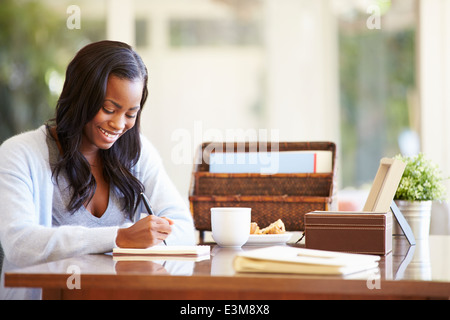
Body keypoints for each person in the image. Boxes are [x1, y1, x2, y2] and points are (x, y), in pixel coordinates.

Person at [0, 40, 195, 267]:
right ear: (81, 98)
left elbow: (182, 228)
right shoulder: (19, 154)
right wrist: (119, 238)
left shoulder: (137, 154)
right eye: (109, 109)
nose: (118, 124)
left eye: (131, 114)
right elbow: (20, 244)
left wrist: (147, 237)